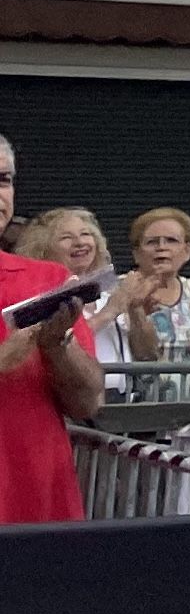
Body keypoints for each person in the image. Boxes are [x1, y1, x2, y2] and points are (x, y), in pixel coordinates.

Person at [0, 208, 106, 524]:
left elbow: (87, 404)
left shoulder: (48, 280)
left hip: (34, 506)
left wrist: (57, 346)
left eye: (4, 179)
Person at [101, 205, 190, 383]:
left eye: (171, 240)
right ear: (136, 253)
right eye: (152, 242)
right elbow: (140, 354)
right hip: (134, 402)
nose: (161, 247)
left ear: (187, 251)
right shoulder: (116, 289)